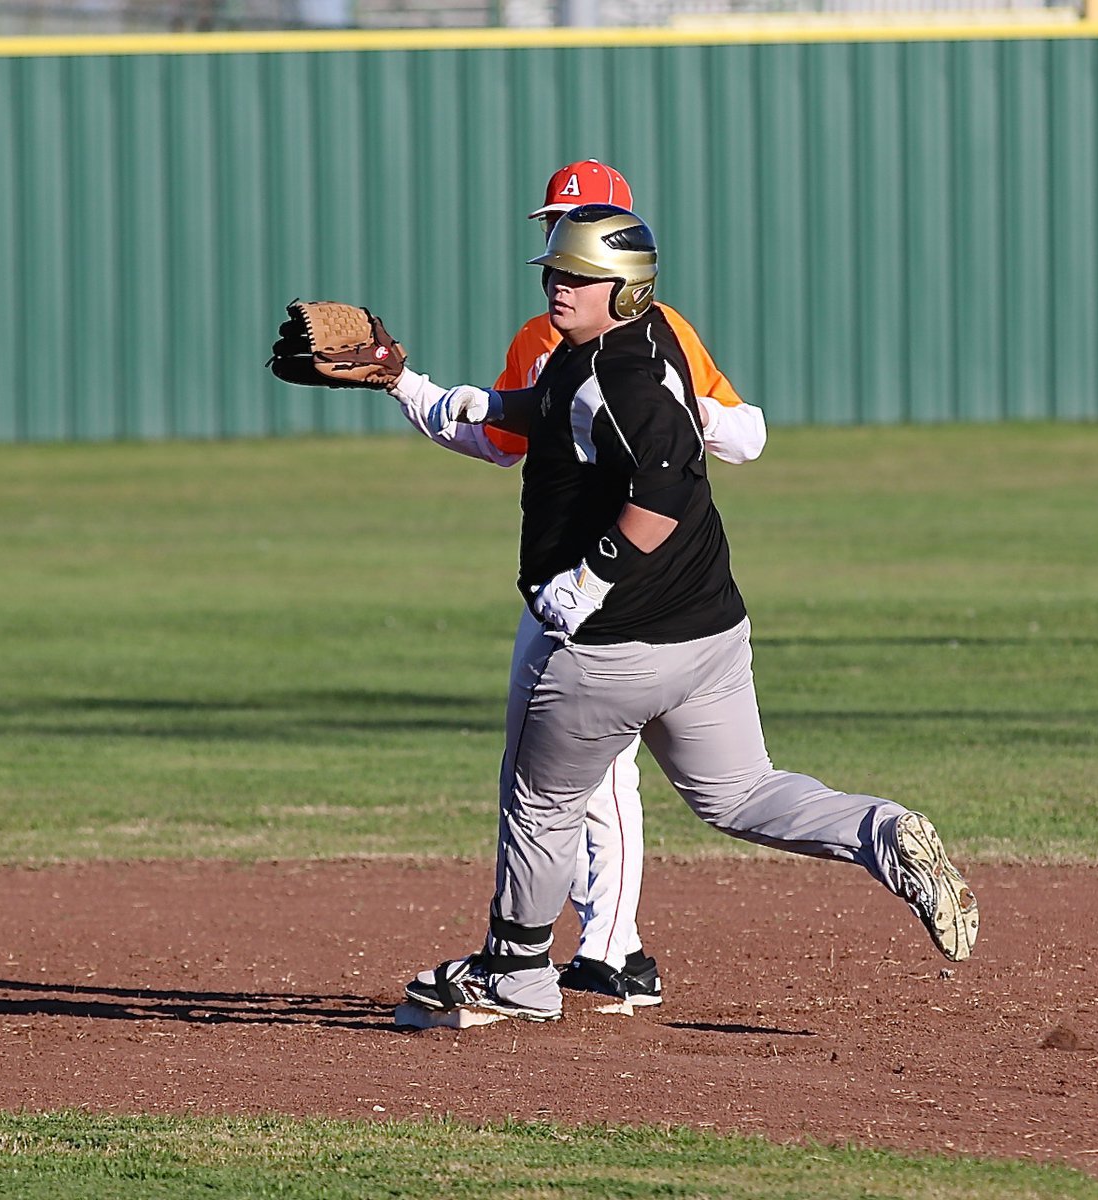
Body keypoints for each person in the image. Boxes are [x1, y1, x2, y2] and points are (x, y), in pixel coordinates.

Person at [399, 204, 979, 1023]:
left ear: (623, 290)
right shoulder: (624, 345)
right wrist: (416, 387)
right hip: (706, 633)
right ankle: (881, 831)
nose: (556, 287)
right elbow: (552, 412)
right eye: (552, 272)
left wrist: (589, 581)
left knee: (540, 803)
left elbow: (665, 486)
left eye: (576, 277)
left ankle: (516, 975)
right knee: (740, 794)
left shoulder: (621, 375)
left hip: (609, 650)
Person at [386, 160, 766, 1007]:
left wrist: (659, 420)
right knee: (562, 780)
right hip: (562, 582)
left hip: (629, 585)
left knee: (603, 775)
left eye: (580, 230)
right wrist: (405, 388)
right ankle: (554, 954)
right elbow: (501, 434)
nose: (559, 256)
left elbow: (744, 436)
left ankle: (608, 949)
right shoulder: (544, 339)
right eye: (554, 231)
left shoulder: (658, 334)